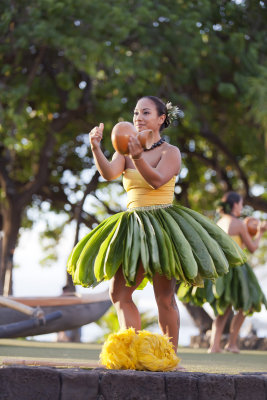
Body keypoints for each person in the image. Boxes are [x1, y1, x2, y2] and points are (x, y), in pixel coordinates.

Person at [67, 97, 246, 370]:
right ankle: (129, 353)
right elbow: (109, 173)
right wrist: (95, 148)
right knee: (119, 293)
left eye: (146, 112)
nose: (138, 116)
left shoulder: (170, 152)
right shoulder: (125, 148)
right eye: (136, 112)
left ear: (161, 118)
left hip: (163, 226)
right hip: (132, 225)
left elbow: (156, 180)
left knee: (164, 296)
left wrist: (138, 156)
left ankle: (167, 357)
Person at [178, 191, 267, 354]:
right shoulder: (238, 224)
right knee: (247, 305)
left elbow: (233, 247)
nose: (241, 207)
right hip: (238, 270)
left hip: (220, 269)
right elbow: (252, 249)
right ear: (234, 205)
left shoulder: (218, 223)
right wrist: (260, 232)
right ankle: (232, 343)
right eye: (240, 204)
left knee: (223, 308)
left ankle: (215, 345)